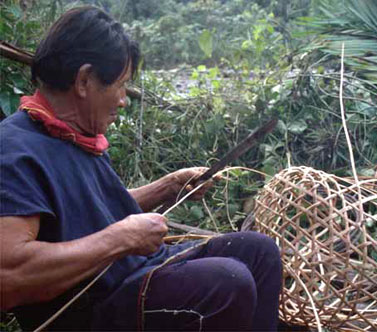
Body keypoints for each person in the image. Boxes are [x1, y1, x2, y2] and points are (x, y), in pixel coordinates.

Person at [0, 6, 282, 331]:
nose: (123, 99)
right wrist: (120, 239)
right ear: (84, 80)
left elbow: (92, 212)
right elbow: (9, 275)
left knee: (259, 252)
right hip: (94, 308)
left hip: (134, 272)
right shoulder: (15, 150)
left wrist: (169, 186)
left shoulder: (77, 134)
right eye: (120, 85)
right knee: (226, 282)